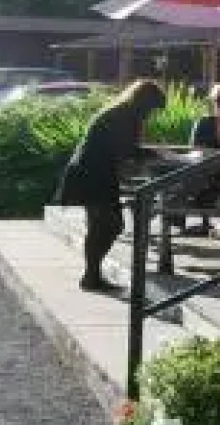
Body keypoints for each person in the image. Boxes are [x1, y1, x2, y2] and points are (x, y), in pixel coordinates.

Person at [56, 79, 168, 295]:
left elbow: (124, 150)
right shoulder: (125, 117)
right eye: (153, 109)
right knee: (108, 225)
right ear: (145, 103)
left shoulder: (121, 112)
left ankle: (92, 275)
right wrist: (155, 153)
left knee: (103, 226)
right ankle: (91, 275)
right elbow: (125, 151)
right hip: (92, 175)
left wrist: (148, 151)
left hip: (94, 173)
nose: (151, 114)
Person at [174, 81, 220, 237]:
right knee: (186, 179)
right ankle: (176, 224)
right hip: (208, 171)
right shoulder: (204, 124)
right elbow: (196, 152)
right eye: (218, 101)